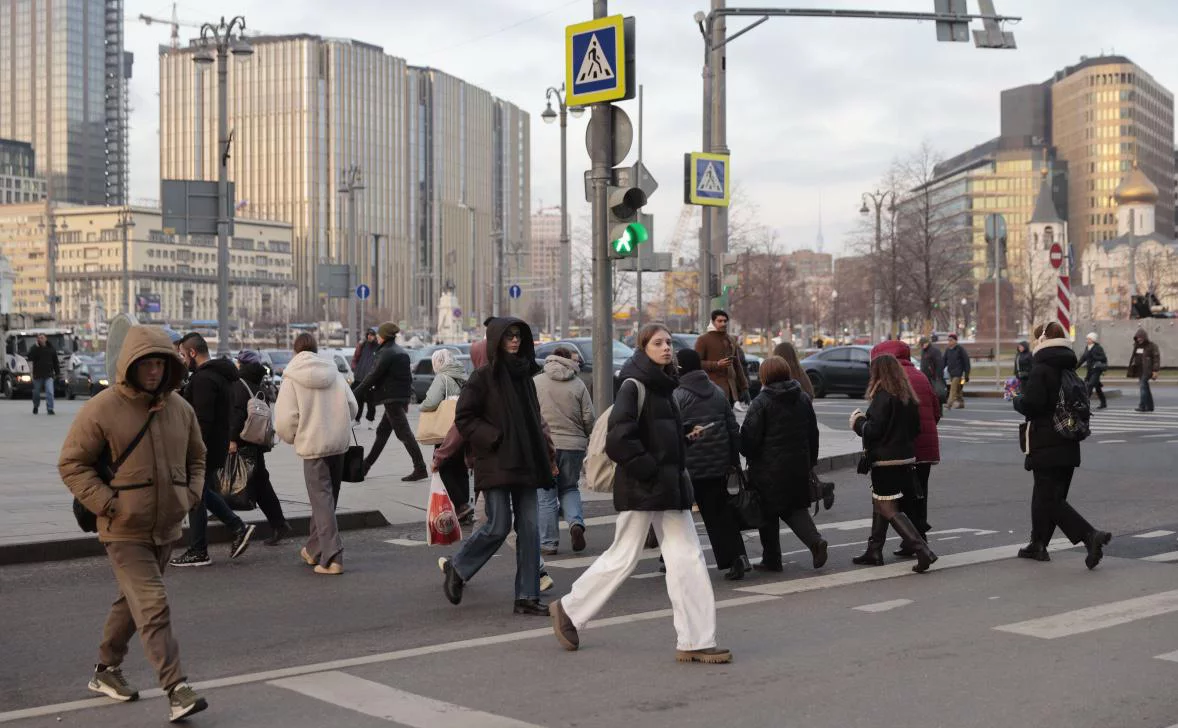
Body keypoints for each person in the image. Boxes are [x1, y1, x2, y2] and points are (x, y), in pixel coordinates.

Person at [549, 324, 731, 664]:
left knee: (688, 559)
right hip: (645, 487)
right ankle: (569, 609)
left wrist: (684, 439)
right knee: (624, 556)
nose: (666, 348)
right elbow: (620, 440)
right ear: (643, 348)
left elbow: (653, 437)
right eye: (658, 343)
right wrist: (650, 469)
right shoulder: (634, 386)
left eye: (668, 343)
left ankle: (696, 639)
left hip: (668, 486)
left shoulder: (664, 387)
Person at [58, 325, 209, 721]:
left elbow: (198, 457)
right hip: (123, 528)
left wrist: (190, 495)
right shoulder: (103, 408)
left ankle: (105, 671)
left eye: (161, 363)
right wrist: (108, 504)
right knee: (153, 604)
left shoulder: (180, 408)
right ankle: (177, 689)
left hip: (166, 527)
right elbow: (72, 464)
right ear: (131, 366)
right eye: (147, 364)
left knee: (132, 602)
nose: (155, 372)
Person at [439, 317, 555, 616]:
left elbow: (536, 421)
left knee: (529, 530)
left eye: (518, 336)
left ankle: (527, 596)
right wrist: (494, 438)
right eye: (508, 337)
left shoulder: (526, 377)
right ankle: (458, 568)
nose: (514, 341)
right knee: (498, 524)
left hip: (527, 462)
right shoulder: (482, 378)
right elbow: (464, 418)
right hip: (497, 461)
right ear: (496, 341)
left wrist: (547, 453)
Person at [1013, 322, 1111, 567]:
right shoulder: (1069, 368)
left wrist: (1016, 400)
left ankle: (1090, 536)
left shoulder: (1042, 369)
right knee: (1048, 495)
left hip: (1046, 441)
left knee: (1048, 498)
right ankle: (1038, 544)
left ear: (1043, 341)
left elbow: (1033, 404)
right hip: (1069, 441)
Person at [275, 333, 358, 575]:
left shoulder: (291, 377)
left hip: (313, 446)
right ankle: (313, 550)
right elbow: (352, 407)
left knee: (321, 501)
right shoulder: (334, 372)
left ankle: (333, 558)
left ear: (295, 351)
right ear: (316, 348)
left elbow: (284, 419)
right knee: (326, 502)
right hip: (338, 445)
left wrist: (293, 437)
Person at [171, 334, 255, 567]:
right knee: (201, 492)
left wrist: (192, 450)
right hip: (216, 445)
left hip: (204, 448)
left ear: (191, 353)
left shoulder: (204, 379)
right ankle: (237, 528)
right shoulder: (220, 375)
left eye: (181, 354)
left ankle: (200, 549)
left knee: (196, 494)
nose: (181, 360)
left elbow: (202, 420)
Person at [849, 354, 937, 573]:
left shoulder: (883, 396)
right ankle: (874, 550)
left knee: (887, 507)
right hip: (906, 459)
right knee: (880, 502)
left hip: (885, 461)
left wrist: (858, 422)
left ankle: (922, 549)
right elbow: (916, 429)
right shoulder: (907, 396)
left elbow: (873, 431)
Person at [742, 356, 827, 573]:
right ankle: (814, 541)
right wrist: (810, 462)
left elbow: (749, 441)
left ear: (764, 376)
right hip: (798, 465)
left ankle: (773, 558)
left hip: (767, 469)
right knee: (795, 508)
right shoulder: (803, 398)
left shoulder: (761, 402)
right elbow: (813, 433)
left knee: (768, 512)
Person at [673, 349, 747, 580]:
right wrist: (734, 460)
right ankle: (738, 557)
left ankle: (673, 560)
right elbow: (732, 427)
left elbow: (674, 432)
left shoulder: (678, 396)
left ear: (680, 368)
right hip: (718, 464)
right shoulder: (716, 392)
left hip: (689, 465)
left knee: (677, 514)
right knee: (719, 513)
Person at [871, 340, 941, 555]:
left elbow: (882, 421)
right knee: (919, 494)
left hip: (904, 448)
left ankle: (914, 542)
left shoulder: (892, 379)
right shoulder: (920, 375)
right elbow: (937, 411)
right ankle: (914, 539)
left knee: (895, 499)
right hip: (927, 448)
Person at [534, 345, 595, 555]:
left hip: (543, 445)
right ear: (569, 360)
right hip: (574, 445)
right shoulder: (578, 384)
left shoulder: (536, 382)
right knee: (569, 488)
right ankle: (575, 524)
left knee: (546, 494)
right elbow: (589, 416)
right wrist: (586, 436)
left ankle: (549, 543)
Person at [353, 322, 428, 481]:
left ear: (384, 336)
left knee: (404, 434)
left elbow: (372, 376)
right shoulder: (400, 351)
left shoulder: (386, 353)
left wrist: (355, 393)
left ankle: (420, 467)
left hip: (391, 399)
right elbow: (407, 378)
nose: (377, 337)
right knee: (382, 433)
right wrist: (406, 398)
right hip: (398, 398)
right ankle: (365, 467)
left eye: (379, 334)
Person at [230, 350, 290, 545]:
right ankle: (279, 524)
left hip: (244, 442)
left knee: (244, 480)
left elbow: (238, 415)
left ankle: (277, 524)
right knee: (261, 482)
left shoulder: (240, 384)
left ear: (242, 364)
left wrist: (232, 439)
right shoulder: (258, 383)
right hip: (257, 442)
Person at [773, 340, 835, 511]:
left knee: (794, 471)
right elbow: (810, 396)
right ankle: (822, 489)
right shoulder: (801, 374)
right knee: (802, 470)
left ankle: (819, 491)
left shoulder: (781, 375)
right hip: (804, 428)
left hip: (786, 430)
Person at [421, 347, 472, 522]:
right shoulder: (464, 376)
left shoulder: (442, 378)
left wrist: (422, 407)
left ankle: (460, 505)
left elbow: (430, 402)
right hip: (463, 428)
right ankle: (464, 503)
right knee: (460, 468)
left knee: (443, 467)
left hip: (445, 432)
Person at [694, 309, 747, 405]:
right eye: (720, 321)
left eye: (725, 321)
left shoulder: (730, 339)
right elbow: (696, 363)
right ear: (713, 322)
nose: (723, 323)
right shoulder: (703, 340)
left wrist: (744, 388)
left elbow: (737, 365)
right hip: (711, 390)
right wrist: (716, 364)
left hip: (730, 392)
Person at [1127, 327, 1161, 413]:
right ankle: (1150, 406)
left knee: (1142, 387)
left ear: (1144, 337)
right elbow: (1134, 358)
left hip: (1147, 370)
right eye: (1137, 338)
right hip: (1139, 370)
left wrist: (1155, 370)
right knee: (1145, 388)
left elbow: (1156, 359)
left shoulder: (1152, 346)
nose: (1139, 339)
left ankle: (1142, 406)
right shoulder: (1136, 346)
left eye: (1140, 337)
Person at [351, 328, 380, 426]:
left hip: (370, 379)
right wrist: (355, 368)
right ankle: (357, 419)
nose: (369, 336)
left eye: (371, 335)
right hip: (359, 377)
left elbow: (379, 363)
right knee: (358, 399)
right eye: (368, 334)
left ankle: (370, 420)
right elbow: (355, 358)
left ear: (375, 336)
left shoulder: (378, 347)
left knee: (371, 401)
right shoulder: (363, 346)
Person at [28, 333, 60, 415]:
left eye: (42, 338)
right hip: (37, 375)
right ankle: (36, 406)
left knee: (50, 392)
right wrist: (35, 347)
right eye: (39, 338)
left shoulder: (51, 349)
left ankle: (50, 408)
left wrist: (57, 373)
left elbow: (56, 362)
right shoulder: (35, 348)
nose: (40, 339)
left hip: (48, 374)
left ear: (46, 338)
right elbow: (30, 357)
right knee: (36, 393)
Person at [1077, 332, 1108, 410]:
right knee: (1097, 387)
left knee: (1090, 385)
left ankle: (1085, 404)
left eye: (1089, 339)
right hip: (1090, 370)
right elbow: (1083, 359)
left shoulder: (1098, 347)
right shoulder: (1087, 347)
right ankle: (1103, 403)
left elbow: (1103, 358)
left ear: (1093, 340)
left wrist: (1094, 356)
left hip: (1096, 370)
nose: (1087, 340)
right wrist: (1075, 368)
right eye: (1087, 338)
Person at [944, 334, 970, 410]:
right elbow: (944, 361)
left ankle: (949, 403)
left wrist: (967, 374)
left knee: (953, 388)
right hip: (951, 373)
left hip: (958, 373)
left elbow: (966, 362)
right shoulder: (948, 350)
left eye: (951, 340)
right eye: (948, 340)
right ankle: (961, 403)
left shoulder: (960, 349)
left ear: (955, 341)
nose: (949, 342)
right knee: (958, 388)